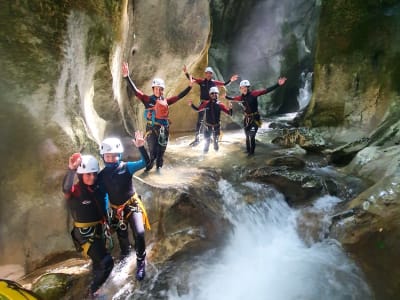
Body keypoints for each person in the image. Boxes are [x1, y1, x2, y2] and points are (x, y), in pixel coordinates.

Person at [98, 132, 151, 281]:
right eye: (108, 156)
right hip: (115, 209)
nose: (111, 158)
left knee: (139, 232)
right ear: (103, 157)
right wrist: (105, 213)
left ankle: (141, 261)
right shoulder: (102, 176)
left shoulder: (126, 167)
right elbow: (103, 193)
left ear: (119, 155)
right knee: (122, 235)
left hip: (131, 205)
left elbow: (145, 163)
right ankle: (125, 255)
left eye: (114, 155)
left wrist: (141, 148)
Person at [122, 62, 194, 170]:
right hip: (151, 129)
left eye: (160, 89)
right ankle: (148, 168)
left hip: (163, 129)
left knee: (160, 154)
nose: (158, 90)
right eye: (156, 88)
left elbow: (179, 96)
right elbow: (136, 92)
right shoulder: (148, 100)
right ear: (153, 89)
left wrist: (189, 87)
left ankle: (159, 171)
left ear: (163, 90)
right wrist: (127, 77)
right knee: (153, 154)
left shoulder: (166, 101)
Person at [62, 153, 114, 297]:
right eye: (87, 175)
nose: (92, 177)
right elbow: (66, 189)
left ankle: (94, 287)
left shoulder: (96, 187)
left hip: (98, 229)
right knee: (107, 262)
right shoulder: (76, 191)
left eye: (94, 174)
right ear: (81, 175)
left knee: (98, 263)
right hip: (85, 234)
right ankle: (93, 291)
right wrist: (71, 169)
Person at [223, 77, 287, 155]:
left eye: (245, 87)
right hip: (247, 118)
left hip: (256, 118)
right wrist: (225, 97)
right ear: (240, 89)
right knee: (247, 135)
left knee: (252, 136)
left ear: (248, 88)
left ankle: (251, 153)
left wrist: (278, 84)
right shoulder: (241, 97)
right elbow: (232, 98)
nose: (244, 89)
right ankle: (248, 150)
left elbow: (265, 91)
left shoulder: (254, 94)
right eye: (242, 88)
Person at [183, 65, 238, 146]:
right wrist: (186, 73)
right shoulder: (201, 81)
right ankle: (197, 139)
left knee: (212, 120)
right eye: (207, 73)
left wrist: (231, 80)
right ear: (205, 74)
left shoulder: (214, 82)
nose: (208, 74)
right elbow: (192, 79)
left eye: (210, 73)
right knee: (200, 121)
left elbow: (224, 84)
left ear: (211, 74)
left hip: (211, 104)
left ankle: (213, 137)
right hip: (203, 103)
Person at [189, 86, 232, 153]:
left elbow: (230, 113)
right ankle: (204, 158)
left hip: (216, 127)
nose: (214, 94)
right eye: (212, 93)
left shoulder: (220, 105)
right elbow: (198, 109)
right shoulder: (206, 103)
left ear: (217, 94)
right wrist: (191, 105)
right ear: (209, 95)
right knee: (206, 144)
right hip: (207, 127)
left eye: (215, 93)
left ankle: (216, 158)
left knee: (216, 143)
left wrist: (230, 108)